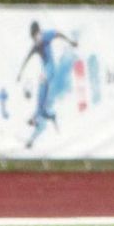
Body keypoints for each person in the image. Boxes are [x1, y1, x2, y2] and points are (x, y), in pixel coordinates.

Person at [16, 20, 77, 148]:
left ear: (39, 33)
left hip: (51, 68)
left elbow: (58, 34)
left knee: (42, 78)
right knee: (42, 97)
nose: (36, 40)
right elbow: (27, 58)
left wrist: (70, 41)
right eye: (33, 38)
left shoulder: (46, 35)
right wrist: (20, 73)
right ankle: (46, 114)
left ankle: (37, 116)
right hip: (46, 70)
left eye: (36, 36)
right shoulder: (35, 46)